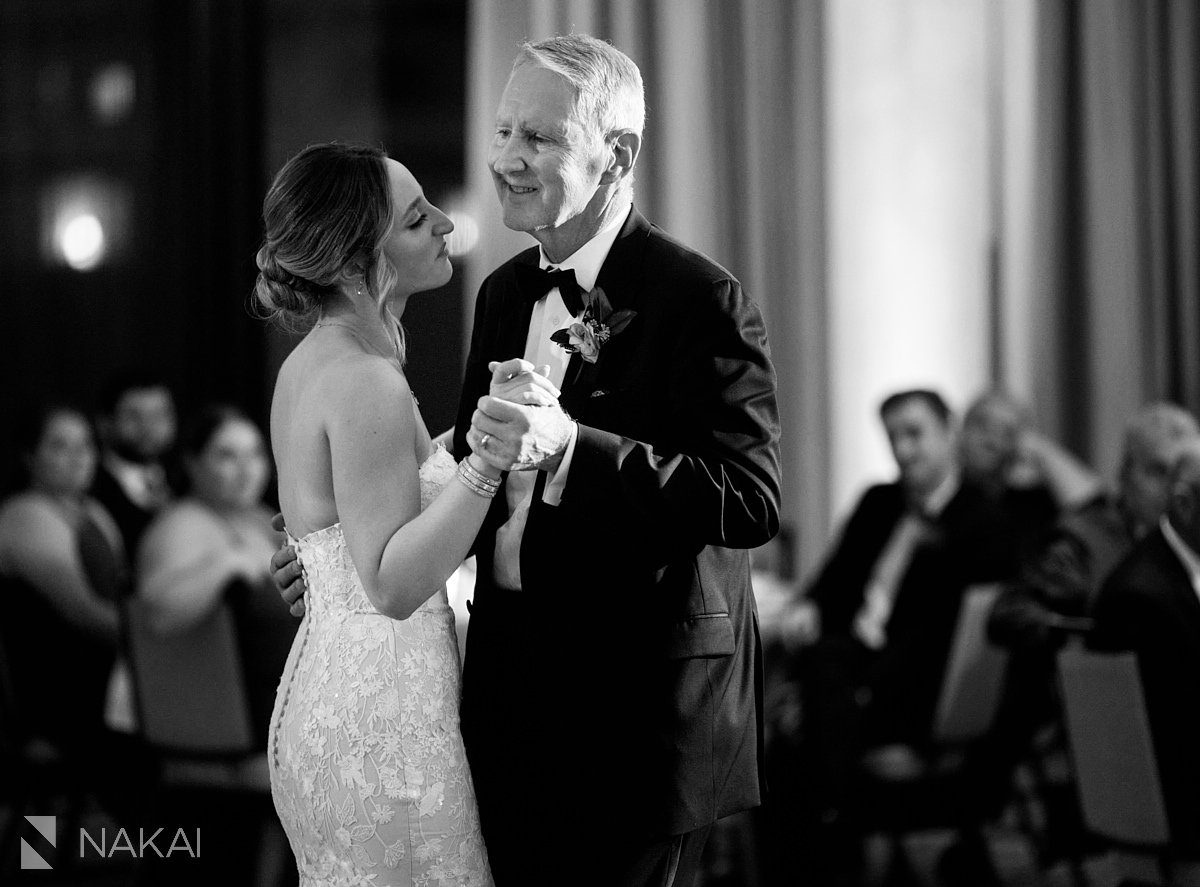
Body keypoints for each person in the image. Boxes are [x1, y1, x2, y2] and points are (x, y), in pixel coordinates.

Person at [273, 35, 782, 887]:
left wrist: (577, 446)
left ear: (616, 154)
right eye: (504, 130)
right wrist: (336, 561)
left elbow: (750, 498)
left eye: (536, 138)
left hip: (635, 708)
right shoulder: (504, 293)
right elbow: (480, 483)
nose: (505, 159)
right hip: (504, 697)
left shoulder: (700, 299)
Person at [256, 142, 556, 886]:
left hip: (336, 698)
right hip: (386, 728)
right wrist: (487, 461)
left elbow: (374, 496)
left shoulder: (312, 364)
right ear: (364, 257)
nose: (449, 225)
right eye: (419, 220)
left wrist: (475, 436)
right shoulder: (366, 382)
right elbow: (391, 584)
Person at [777, 389, 1015, 881]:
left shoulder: (983, 522)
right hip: (844, 675)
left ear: (950, 433)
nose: (903, 450)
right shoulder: (878, 503)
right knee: (787, 728)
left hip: (914, 694)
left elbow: (938, 641)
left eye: (915, 434)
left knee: (803, 723)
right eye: (893, 438)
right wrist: (808, 607)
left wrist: (863, 690)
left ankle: (831, 831)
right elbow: (830, 585)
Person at [135, 404, 293, 748]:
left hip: (282, 703)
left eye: (254, 454)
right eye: (227, 456)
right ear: (193, 463)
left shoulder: (257, 518)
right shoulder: (182, 524)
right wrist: (228, 561)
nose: (246, 470)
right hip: (220, 727)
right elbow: (155, 614)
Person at [0, 405, 130, 780]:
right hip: (55, 693)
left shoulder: (93, 511)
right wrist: (154, 648)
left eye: (86, 445)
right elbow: (81, 611)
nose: (78, 458)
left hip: (101, 676)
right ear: (29, 455)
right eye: (60, 446)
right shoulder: (26, 514)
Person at [1089, 436, 1200, 859]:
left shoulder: (1179, 566)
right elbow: (1172, 731)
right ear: (1186, 504)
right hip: (1172, 796)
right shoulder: (1141, 595)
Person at [91, 370, 179, 556]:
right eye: (133, 416)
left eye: (159, 415)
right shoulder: (90, 485)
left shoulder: (188, 478)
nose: (148, 427)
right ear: (105, 423)